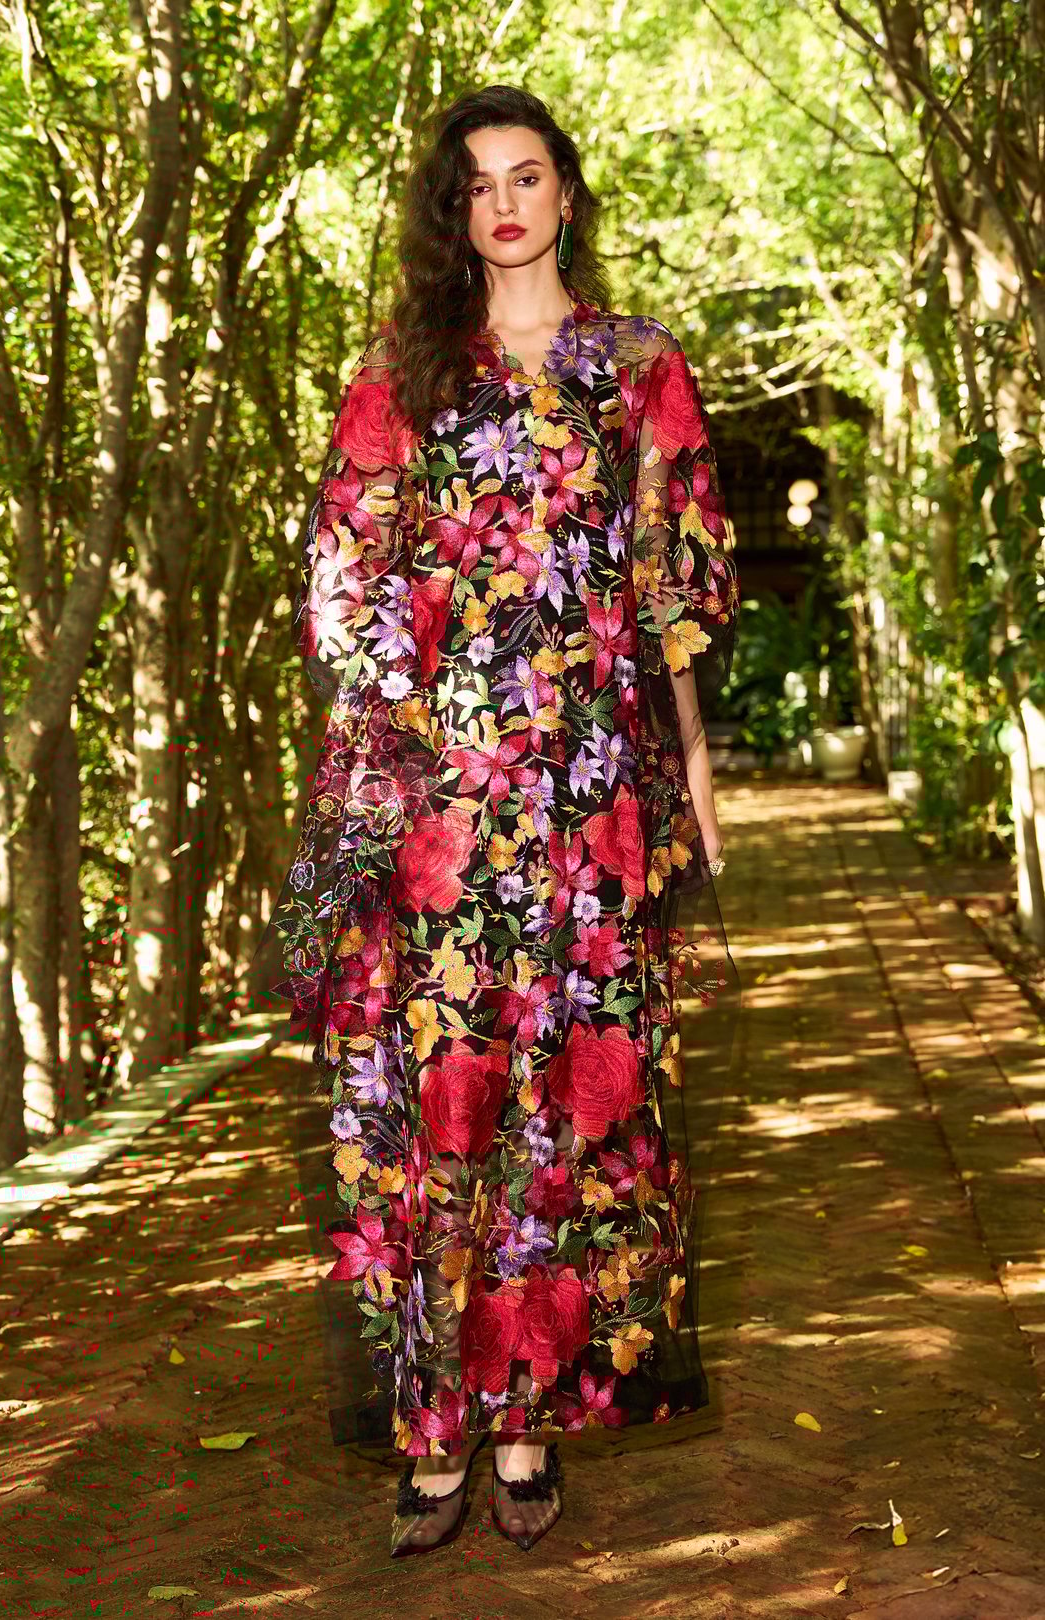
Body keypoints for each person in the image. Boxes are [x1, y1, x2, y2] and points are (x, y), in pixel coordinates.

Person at [252, 83, 740, 1559]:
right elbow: (345, 588)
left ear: (567, 193)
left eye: (527, 176)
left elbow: (667, 594)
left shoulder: (640, 369)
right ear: (452, 212)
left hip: (591, 807)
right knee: (436, 1103)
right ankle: (432, 1432)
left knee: (569, 1112)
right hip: (441, 814)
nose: (506, 204)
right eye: (477, 185)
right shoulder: (403, 376)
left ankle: (524, 1425)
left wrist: (695, 780)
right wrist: (390, 768)